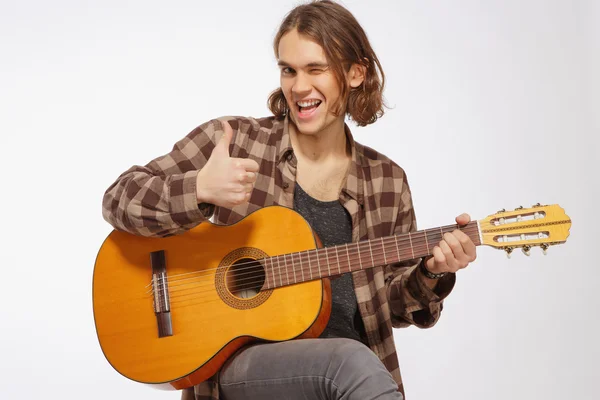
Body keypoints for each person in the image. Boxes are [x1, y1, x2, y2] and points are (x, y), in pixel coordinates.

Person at [102, 1, 477, 399]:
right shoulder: (236, 143)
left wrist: (433, 273)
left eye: (316, 69)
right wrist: (199, 190)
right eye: (288, 70)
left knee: (351, 361)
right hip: (245, 366)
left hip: (349, 377)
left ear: (355, 73)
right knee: (348, 362)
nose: (299, 87)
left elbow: (394, 306)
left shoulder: (387, 181)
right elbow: (119, 199)